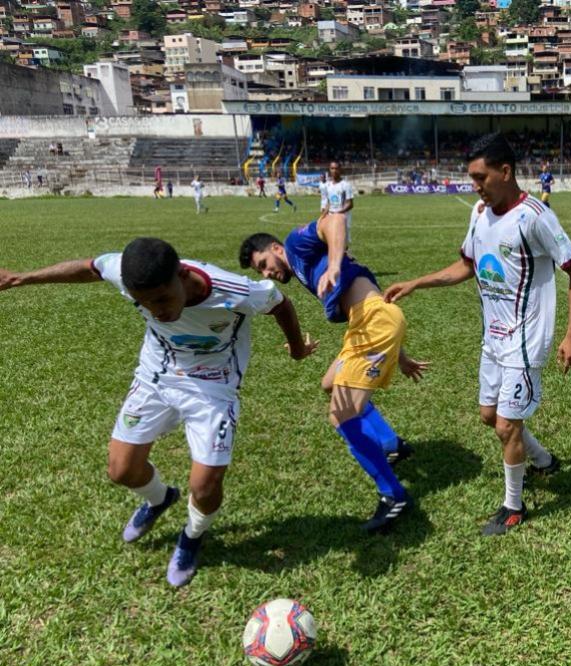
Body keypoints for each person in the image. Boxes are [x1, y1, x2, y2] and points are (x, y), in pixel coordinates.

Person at [0, 238, 317, 587]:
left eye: (163, 299)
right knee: (121, 470)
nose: (157, 312)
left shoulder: (236, 289)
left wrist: (298, 349)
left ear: (181, 275)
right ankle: (160, 497)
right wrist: (21, 279)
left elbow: (280, 303)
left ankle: (192, 537)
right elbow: (90, 266)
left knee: (206, 485)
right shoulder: (125, 271)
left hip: (214, 386)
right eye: (145, 304)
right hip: (157, 376)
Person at [384, 132, 571, 537]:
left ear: (505, 171)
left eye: (481, 176)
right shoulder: (478, 213)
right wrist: (416, 283)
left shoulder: (534, 217)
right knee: (489, 417)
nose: (474, 185)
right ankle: (544, 462)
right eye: (472, 177)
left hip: (526, 339)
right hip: (492, 337)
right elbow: (466, 266)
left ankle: (513, 507)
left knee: (505, 427)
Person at [239, 215, 427, 533]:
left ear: (274, 248)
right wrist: (401, 355)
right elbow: (372, 294)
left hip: (372, 324)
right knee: (330, 385)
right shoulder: (304, 267)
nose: (267, 273)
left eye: (264, 264)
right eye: (261, 271)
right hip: (367, 325)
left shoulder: (295, 244)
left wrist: (336, 264)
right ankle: (391, 443)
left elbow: (334, 220)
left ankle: (393, 495)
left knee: (340, 416)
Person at [319, 160, 355, 245]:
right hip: (331, 217)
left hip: (343, 217)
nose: (334, 170)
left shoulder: (346, 185)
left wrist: (338, 213)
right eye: (332, 168)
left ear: (340, 170)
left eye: (336, 168)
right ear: (329, 170)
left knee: (343, 244)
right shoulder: (328, 185)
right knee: (331, 242)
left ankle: (346, 257)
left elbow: (350, 204)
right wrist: (323, 216)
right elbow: (328, 203)